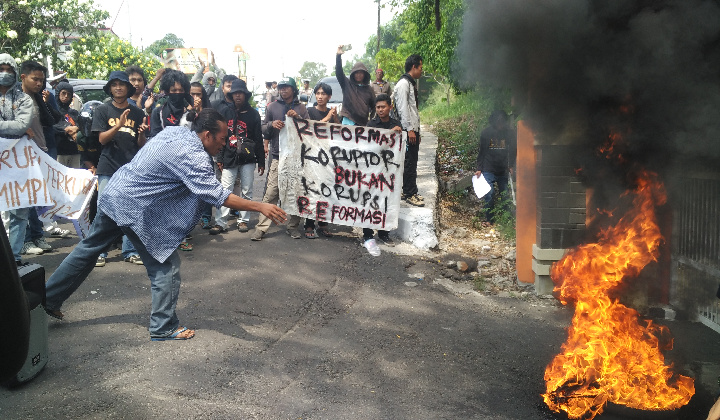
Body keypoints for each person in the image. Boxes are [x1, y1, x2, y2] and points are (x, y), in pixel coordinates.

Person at [43, 108, 287, 340]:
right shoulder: (193, 155)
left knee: (88, 249)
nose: (224, 144)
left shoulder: (175, 132)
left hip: (115, 193)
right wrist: (261, 206)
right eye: (222, 139)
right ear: (207, 135)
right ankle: (163, 326)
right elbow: (218, 195)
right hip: (133, 207)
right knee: (166, 266)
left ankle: (49, 297)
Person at [93, 71, 148, 267]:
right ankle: (99, 252)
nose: (118, 87)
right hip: (107, 166)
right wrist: (119, 126)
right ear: (110, 88)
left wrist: (142, 134)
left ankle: (130, 251)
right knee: (103, 211)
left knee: (130, 210)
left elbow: (141, 145)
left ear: (128, 88)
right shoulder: (102, 110)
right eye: (114, 84)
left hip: (130, 169)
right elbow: (101, 139)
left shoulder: (138, 113)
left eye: (122, 84)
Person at [251, 77, 308, 241]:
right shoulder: (272, 107)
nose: (283, 90)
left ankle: (293, 226)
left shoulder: (301, 108)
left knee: (297, 191)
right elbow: (263, 128)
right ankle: (261, 228)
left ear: (293, 89)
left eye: (286, 87)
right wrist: (271, 125)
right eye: (281, 87)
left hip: (297, 157)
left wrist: (298, 118)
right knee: (271, 192)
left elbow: (309, 130)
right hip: (278, 156)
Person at [211, 79, 265, 234]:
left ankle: (243, 220)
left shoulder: (253, 114)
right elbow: (220, 136)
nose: (238, 96)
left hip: (247, 158)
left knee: (247, 190)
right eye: (235, 94)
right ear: (231, 95)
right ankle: (221, 222)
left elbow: (258, 139)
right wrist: (219, 158)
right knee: (225, 189)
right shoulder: (225, 112)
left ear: (245, 95)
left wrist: (261, 161)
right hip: (229, 156)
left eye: (240, 93)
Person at [0, 54, 34, 265]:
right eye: (0, 68)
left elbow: (22, 125)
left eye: (8, 69)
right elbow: (17, 127)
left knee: (19, 212)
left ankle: (15, 258)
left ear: (15, 72)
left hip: (17, 162)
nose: (4, 73)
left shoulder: (24, 99)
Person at [361, 93, 401, 256]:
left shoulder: (396, 124)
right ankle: (368, 235)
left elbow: (400, 148)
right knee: (369, 201)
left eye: (383, 107)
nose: (380, 110)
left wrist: (398, 133)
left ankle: (384, 234)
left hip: (389, 171)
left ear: (390, 107)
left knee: (386, 201)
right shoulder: (371, 124)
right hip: (372, 169)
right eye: (377, 107)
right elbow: (369, 146)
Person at [303, 82, 339, 239]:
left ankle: (322, 224)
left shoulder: (333, 114)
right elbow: (312, 128)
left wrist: (335, 117)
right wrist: (328, 117)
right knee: (312, 191)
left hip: (328, 158)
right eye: (317, 93)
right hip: (312, 157)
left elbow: (340, 131)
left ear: (329, 97)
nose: (320, 96)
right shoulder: (309, 111)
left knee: (326, 191)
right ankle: (309, 224)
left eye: (323, 94)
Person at [474, 110, 516, 226]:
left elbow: (513, 149)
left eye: (502, 122)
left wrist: (511, 165)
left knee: (505, 195)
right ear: (493, 122)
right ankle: (489, 219)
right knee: (489, 193)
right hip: (488, 168)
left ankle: (507, 221)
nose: (500, 125)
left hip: (503, 169)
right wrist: (479, 168)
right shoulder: (486, 133)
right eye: (498, 122)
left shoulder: (509, 133)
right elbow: (482, 151)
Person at [394, 54, 424, 207]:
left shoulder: (411, 84)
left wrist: (417, 131)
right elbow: (403, 109)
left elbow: (413, 110)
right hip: (407, 130)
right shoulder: (403, 84)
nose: (421, 71)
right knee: (409, 162)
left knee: (412, 161)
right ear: (414, 67)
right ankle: (409, 193)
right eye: (420, 68)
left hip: (412, 130)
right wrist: (410, 130)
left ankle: (410, 190)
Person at [335, 45, 375, 126]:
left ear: (365, 74)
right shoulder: (347, 84)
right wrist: (338, 56)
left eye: (361, 73)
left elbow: (374, 106)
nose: (358, 75)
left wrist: (371, 121)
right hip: (348, 121)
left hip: (363, 123)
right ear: (353, 74)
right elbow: (339, 72)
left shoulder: (369, 89)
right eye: (356, 72)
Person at [148, 69, 192, 139]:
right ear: (167, 91)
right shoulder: (158, 113)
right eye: (174, 90)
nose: (177, 93)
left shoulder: (191, 114)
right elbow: (154, 138)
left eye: (181, 90)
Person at [53, 81, 83, 169]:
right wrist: (66, 130)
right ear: (58, 93)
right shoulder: (53, 111)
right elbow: (51, 127)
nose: (66, 96)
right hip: (59, 152)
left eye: (69, 94)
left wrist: (76, 128)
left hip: (74, 152)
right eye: (63, 93)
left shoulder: (74, 113)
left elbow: (82, 126)